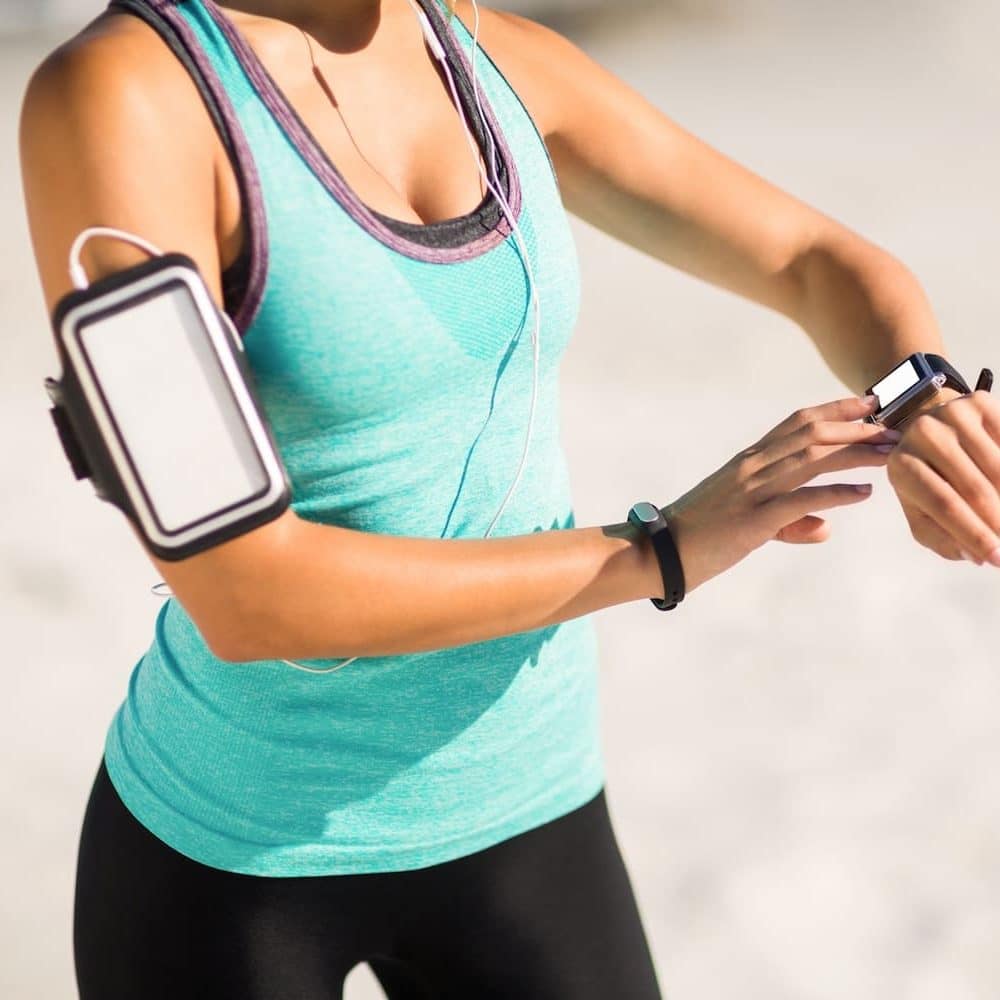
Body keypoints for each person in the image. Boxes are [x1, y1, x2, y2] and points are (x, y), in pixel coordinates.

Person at [18, 0, 1000, 997]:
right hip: (239, 855)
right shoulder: (125, 100)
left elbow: (812, 260)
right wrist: (657, 551)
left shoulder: (484, 53)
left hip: (531, 807)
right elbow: (244, 593)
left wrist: (919, 399)